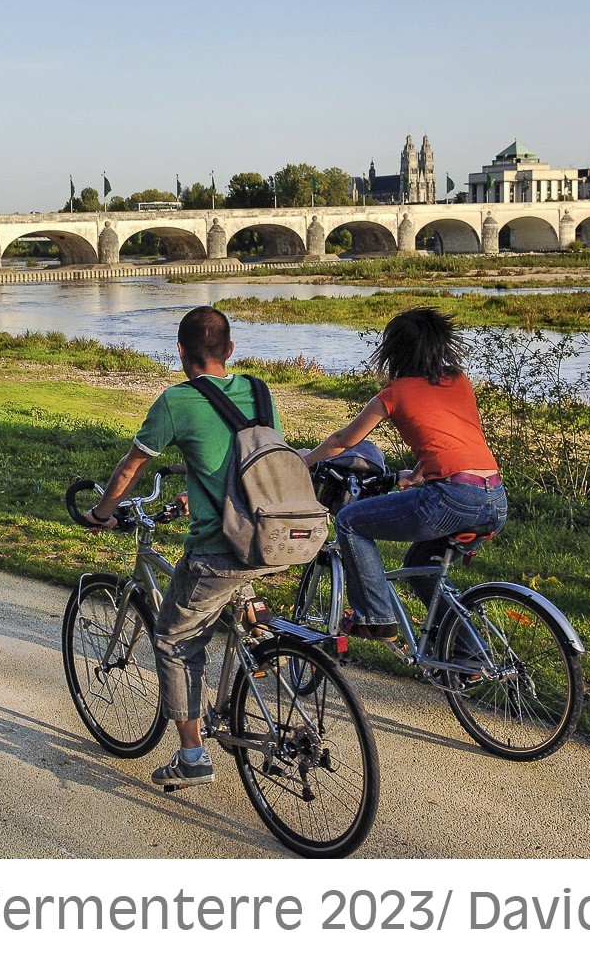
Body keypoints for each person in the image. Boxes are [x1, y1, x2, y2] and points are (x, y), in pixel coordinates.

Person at [82, 306, 287, 789]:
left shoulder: (177, 401)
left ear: (179, 352)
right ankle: (260, 654)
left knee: (174, 640)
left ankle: (193, 754)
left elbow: (132, 467)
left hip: (219, 547)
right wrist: (195, 489)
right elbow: (248, 459)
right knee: (234, 603)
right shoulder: (260, 391)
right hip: (268, 534)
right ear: (231, 351)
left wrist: (103, 512)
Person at [303, 307, 506, 641]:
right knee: (421, 563)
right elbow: (452, 438)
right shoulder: (459, 380)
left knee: (350, 521)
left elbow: (343, 441)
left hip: (451, 498)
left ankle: (376, 617)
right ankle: (468, 653)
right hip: (494, 497)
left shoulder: (394, 393)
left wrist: (305, 460)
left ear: (393, 351)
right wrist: (416, 473)